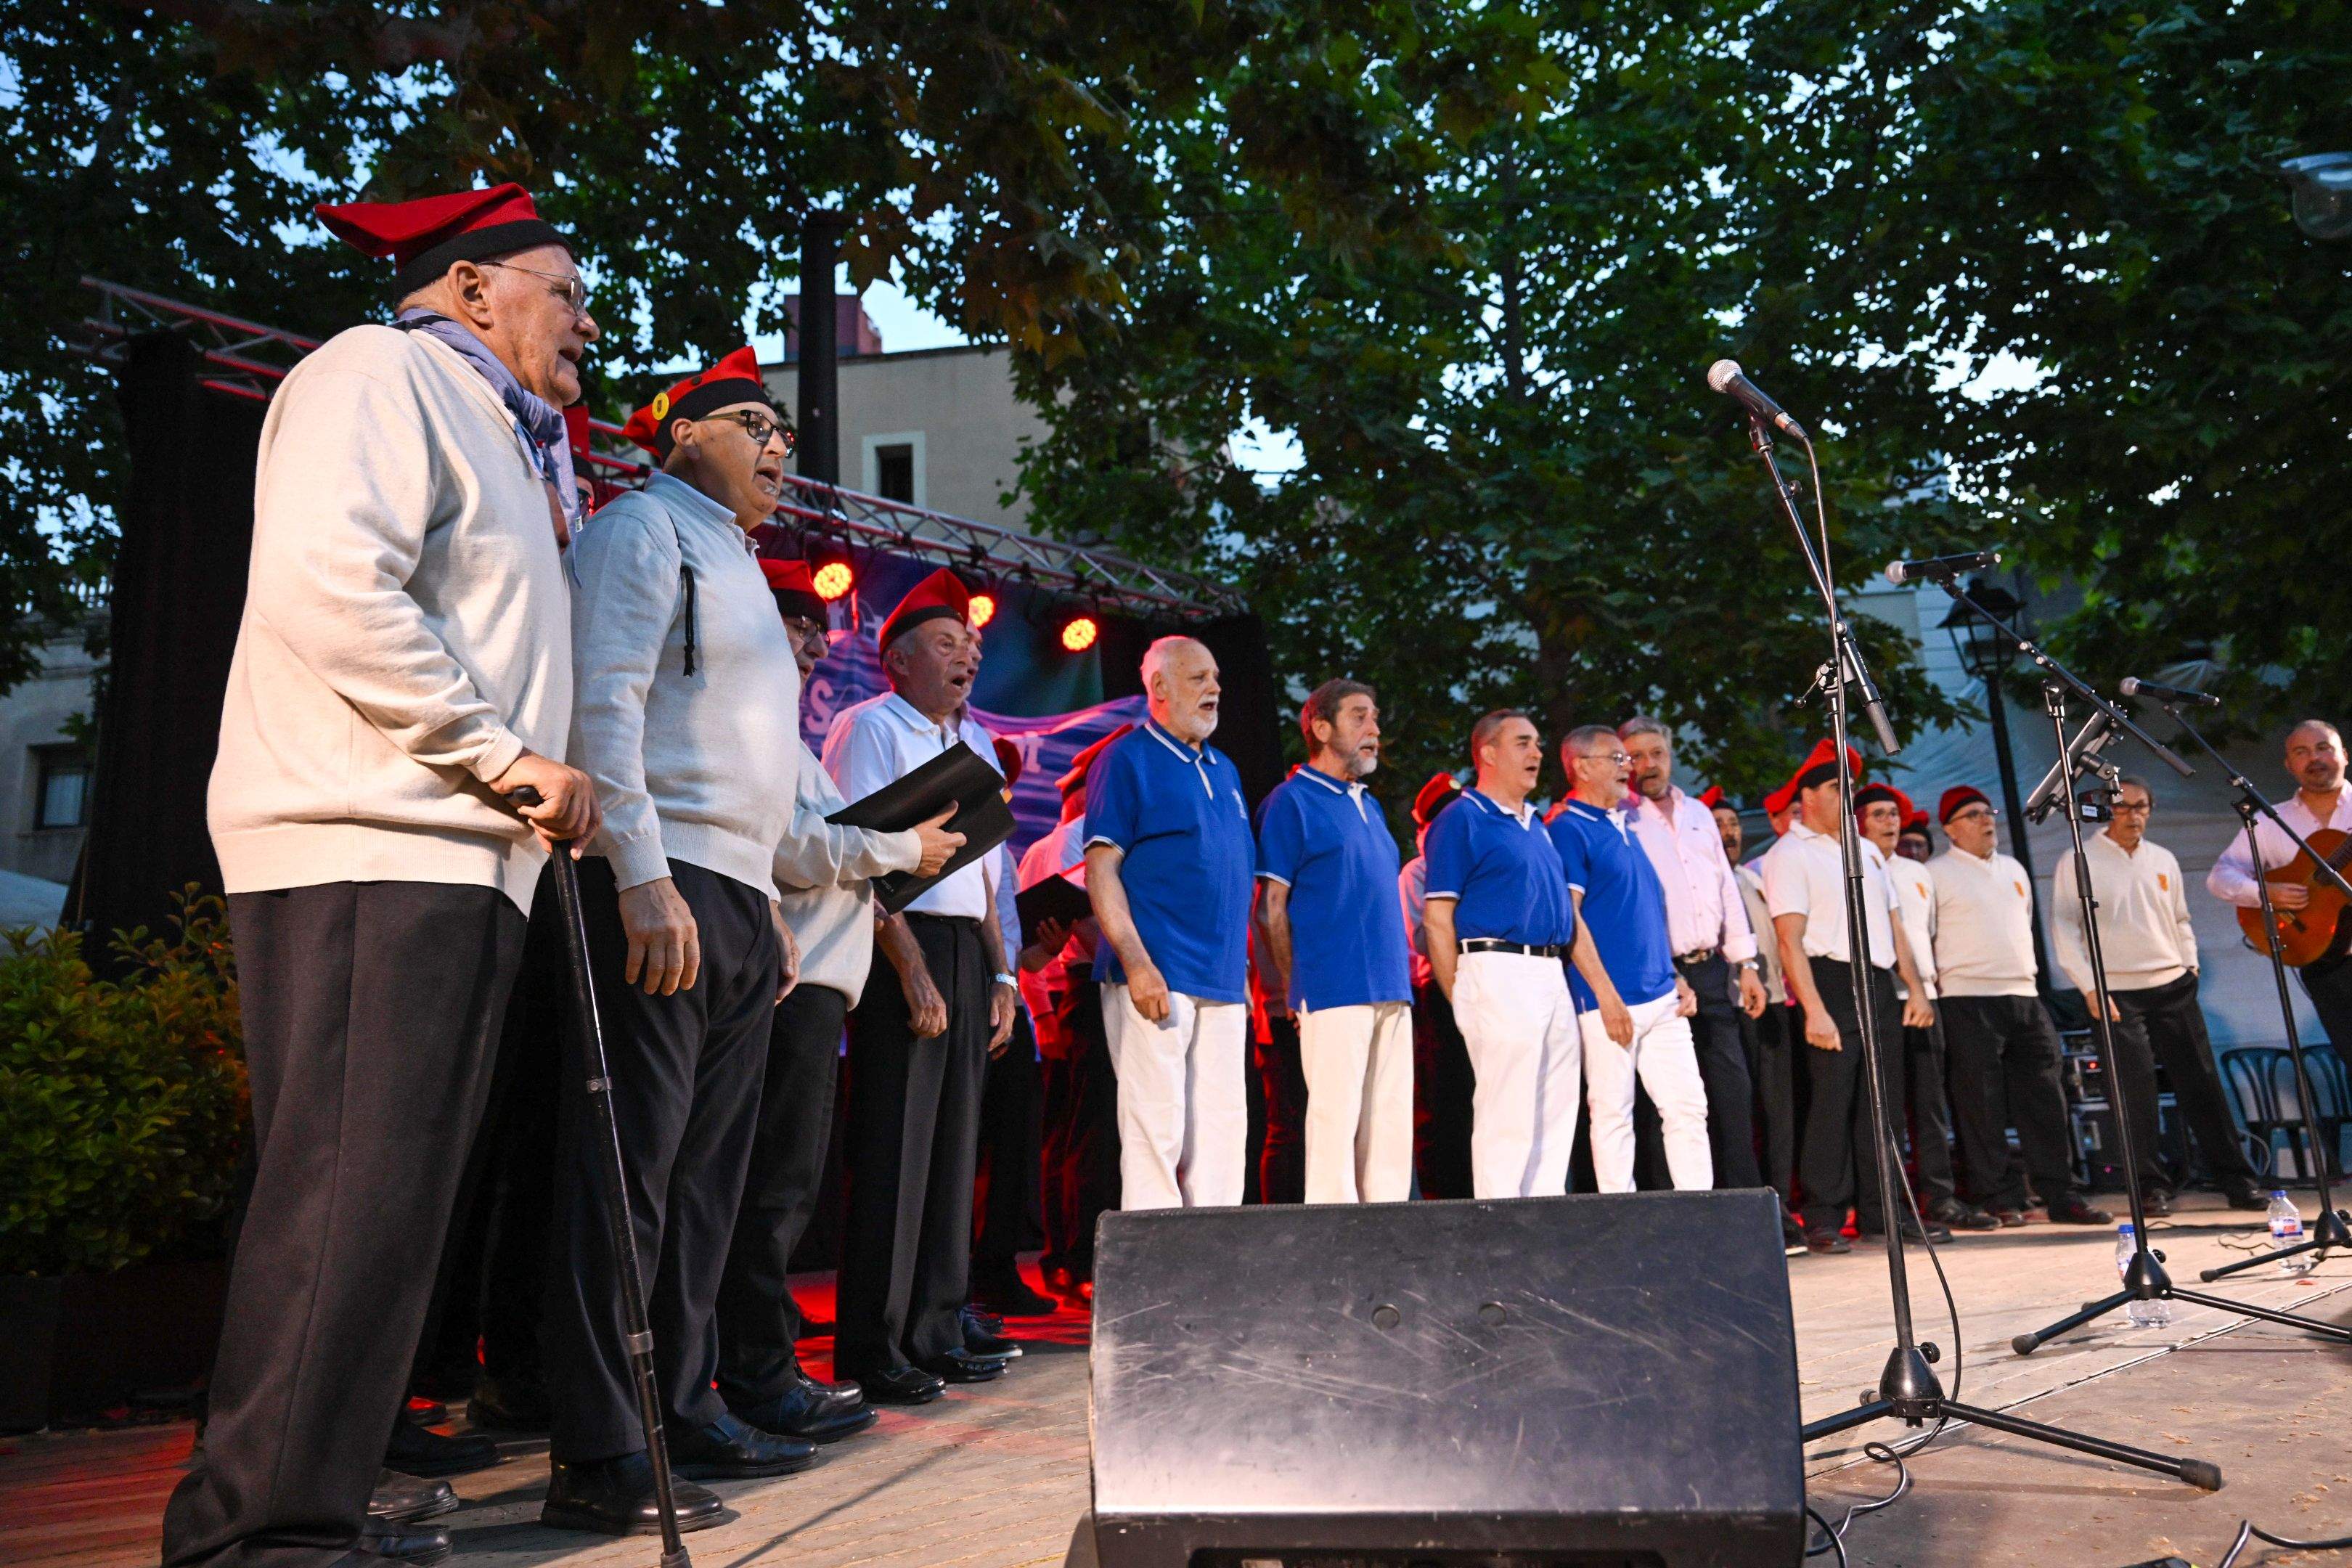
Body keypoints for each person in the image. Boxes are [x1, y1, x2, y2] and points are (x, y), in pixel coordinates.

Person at [168, 183, 602, 1568]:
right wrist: (497, 753)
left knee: (393, 1206)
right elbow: (331, 586)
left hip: (458, 847)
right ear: (474, 289)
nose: (587, 322)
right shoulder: (378, 370)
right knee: (350, 1188)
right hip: (374, 832)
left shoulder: (505, 430)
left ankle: (314, 1495)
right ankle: (257, 1534)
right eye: (564, 289)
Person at [545, 348, 838, 1529]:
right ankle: (601, 1447)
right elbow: (603, 701)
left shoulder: (740, 561)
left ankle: (682, 1402)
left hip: (729, 893)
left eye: (782, 430)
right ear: (682, 434)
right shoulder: (639, 531)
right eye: (754, 422)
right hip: (656, 884)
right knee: (634, 1176)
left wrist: (762, 894)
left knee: (709, 1182)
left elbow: (746, 759)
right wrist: (643, 874)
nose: (779, 447)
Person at [713, 558, 962, 1443]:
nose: (811, 644)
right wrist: (895, 849)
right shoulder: (759, 729)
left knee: (784, 1185)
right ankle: (755, 1374)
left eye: (818, 632)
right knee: (768, 1188)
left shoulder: (787, 734)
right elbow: (792, 846)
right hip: (791, 977)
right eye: (791, 626)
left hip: (822, 978)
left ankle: (758, 1365)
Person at [822, 569, 1019, 1401]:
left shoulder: (964, 748)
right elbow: (857, 861)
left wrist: (1003, 971)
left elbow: (986, 877)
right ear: (897, 661)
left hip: (967, 951)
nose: (966, 657)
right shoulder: (869, 728)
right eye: (946, 645)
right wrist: (908, 968)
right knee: (896, 1148)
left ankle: (937, 1329)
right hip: (903, 941)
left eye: (970, 645)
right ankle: (876, 1343)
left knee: (951, 1150)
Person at [1085, 637, 1256, 1209]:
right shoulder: (1127, 758)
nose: (1215, 689)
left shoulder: (1225, 767)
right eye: (1198, 679)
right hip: (1157, 974)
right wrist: (1136, 962)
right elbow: (1102, 868)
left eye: (1216, 679)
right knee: (1156, 1133)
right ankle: (1158, 1288)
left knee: (1223, 1135)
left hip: (1223, 981)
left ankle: (1216, 1275)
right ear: (1158, 688)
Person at [1760, 743, 1943, 1253]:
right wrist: (1814, 1009)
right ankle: (1823, 1213)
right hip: (1830, 980)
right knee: (1831, 1104)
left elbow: (1894, 925)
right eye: (1838, 788)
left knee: (1883, 1104)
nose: (1848, 797)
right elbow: (1789, 940)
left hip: (1879, 980)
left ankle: (1884, 1212)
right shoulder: (1788, 855)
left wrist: (1915, 989)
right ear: (1808, 797)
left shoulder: (1863, 850)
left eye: (1850, 787)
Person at [2060, 777, 2266, 1211]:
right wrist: (2091, 988)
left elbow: (2181, 919)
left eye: (2141, 807)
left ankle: (2237, 1180)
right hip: (2116, 991)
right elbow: (2065, 928)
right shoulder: (2079, 860)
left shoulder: (2163, 858)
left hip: (2172, 983)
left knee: (2202, 1084)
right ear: (2107, 811)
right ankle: (2150, 1187)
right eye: (2123, 807)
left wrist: (2189, 963)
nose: (2133, 816)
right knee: (2134, 1093)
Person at [1255, 679, 1416, 1203]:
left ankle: (1388, 1241)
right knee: (1334, 1126)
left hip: (1392, 985)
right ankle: (1337, 1253)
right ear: (1321, 729)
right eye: (1359, 718)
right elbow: (1271, 907)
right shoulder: (1291, 800)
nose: (1374, 731)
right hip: (1330, 987)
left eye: (1375, 719)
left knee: (1390, 1127)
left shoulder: (1367, 805)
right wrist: (1291, 989)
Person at [1930, 785, 2111, 1226]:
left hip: (2024, 994)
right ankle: (1999, 1195)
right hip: (1966, 997)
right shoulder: (1934, 874)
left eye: (1987, 812)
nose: (1986, 821)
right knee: (1982, 1104)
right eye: (1972, 815)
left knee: (2046, 1097)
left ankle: (2061, 1192)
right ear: (1950, 828)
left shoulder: (2013, 869)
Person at [1421, 711, 1580, 1199]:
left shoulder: (1535, 823)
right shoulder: (1463, 817)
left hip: (1550, 969)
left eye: (1537, 744)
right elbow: (1437, 916)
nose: (1536, 754)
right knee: (1506, 1107)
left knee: (1555, 1104)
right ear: (1488, 754)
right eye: (1523, 743)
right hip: (1497, 967)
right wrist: (1461, 995)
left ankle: (1543, 1218)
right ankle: (1499, 1226)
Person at [1550, 727, 1710, 1192]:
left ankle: (1701, 1212)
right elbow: (1571, 919)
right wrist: (1605, 995)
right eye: (1617, 758)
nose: (1629, 767)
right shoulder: (1568, 828)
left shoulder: (1624, 826)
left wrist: (1675, 975)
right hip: (1609, 1000)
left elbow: (1644, 914)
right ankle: (1620, 1216)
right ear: (1581, 766)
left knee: (1687, 1106)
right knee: (1612, 1112)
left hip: (1661, 994)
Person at [1618, 719, 1766, 1188]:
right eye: (1635, 756)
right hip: (1656, 974)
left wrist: (1746, 964)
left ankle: (1744, 1206)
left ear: (1670, 753)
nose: (1648, 765)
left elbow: (1725, 888)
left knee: (1732, 1092)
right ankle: (1673, 1207)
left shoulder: (1699, 812)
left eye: (1656, 753)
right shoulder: (1622, 816)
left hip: (1711, 969)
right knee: (1668, 1101)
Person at [1020, 725, 1130, 1302]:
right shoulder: (1065, 843)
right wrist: (1042, 1019)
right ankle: (1073, 1256)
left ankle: (1079, 1254)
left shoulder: (1091, 839)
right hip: (1079, 993)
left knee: (1092, 1132)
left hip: (1098, 991)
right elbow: (1046, 934)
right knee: (1084, 1134)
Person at [1854, 785, 1993, 1232]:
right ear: (1859, 822)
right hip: (1882, 998)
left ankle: (1940, 1197)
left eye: (1895, 814)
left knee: (1931, 1107)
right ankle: (1892, 1203)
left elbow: (1927, 933)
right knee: (1888, 1108)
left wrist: (1926, 988)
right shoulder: (1854, 868)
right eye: (1879, 815)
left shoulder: (1917, 873)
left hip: (1925, 997)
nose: (1891, 823)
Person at [971, 738, 1058, 1316]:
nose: (1004, 786)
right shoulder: (965, 833)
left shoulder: (999, 842)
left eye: (1008, 779)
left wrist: (1033, 957)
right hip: (968, 990)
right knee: (963, 1150)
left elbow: (1006, 930)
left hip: (1010, 997)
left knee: (1011, 1149)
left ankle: (994, 1270)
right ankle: (958, 1281)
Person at [2209, 721, 2352, 1050]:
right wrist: (2265, 893)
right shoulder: (2271, 821)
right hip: (2323, 960)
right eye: (2301, 752)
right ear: (2289, 766)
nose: (2314, 758)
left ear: (2344, 755)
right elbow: (2220, 877)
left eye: (2323, 748)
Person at [1400, 772, 1473, 1198]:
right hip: (1436, 991)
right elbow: (1424, 937)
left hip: (1486, 983)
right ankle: (1441, 1192)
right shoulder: (1419, 871)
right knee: (1443, 1095)